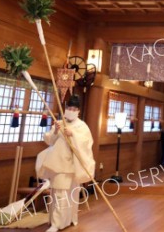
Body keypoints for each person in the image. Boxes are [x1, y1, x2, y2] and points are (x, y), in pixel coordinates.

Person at [36, 95, 95, 232]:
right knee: (58, 193)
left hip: (72, 165)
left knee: (70, 194)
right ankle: (56, 222)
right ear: (66, 108)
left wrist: (73, 134)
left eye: (74, 108)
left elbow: (86, 144)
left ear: (78, 111)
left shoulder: (81, 126)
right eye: (69, 108)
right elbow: (50, 141)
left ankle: (68, 219)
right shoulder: (60, 122)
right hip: (58, 163)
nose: (71, 110)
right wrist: (56, 131)